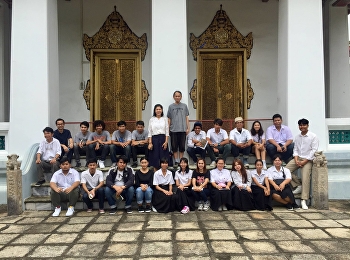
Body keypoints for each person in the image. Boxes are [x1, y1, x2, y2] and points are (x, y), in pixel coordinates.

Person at [286, 118, 319, 210]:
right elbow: (295, 149)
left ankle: (304, 200)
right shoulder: (297, 137)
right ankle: (297, 184)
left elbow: (314, 150)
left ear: (307, 126)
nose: (302, 127)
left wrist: (304, 161)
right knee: (285, 170)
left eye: (304, 125)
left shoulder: (313, 136)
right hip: (298, 158)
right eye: (300, 125)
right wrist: (296, 160)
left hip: (308, 160)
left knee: (305, 178)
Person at [167, 91, 190, 167]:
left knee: (182, 146)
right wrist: (168, 128)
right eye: (176, 96)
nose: (177, 97)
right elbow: (169, 118)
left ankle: (181, 161)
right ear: (173, 97)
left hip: (182, 129)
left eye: (179, 96)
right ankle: (176, 161)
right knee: (174, 146)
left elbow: (187, 117)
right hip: (173, 129)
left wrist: (188, 127)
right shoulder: (171, 107)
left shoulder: (184, 106)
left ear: (181, 97)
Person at [148, 104, 170, 170]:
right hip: (154, 139)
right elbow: (150, 132)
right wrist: (150, 143)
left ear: (162, 110)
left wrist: (166, 142)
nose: (158, 111)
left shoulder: (165, 119)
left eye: (160, 109)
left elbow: (167, 131)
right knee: (155, 157)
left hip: (163, 139)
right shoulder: (151, 119)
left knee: (163, 158)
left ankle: (164, 173)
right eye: (157, 109)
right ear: (155, 111)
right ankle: (156, 175)